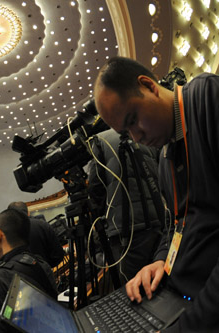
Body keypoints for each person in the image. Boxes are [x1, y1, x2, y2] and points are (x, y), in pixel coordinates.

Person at [94, 56, 219, 331]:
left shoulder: (207, 97)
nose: (136, 136)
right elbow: (178, 224)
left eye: (133, 119)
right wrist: (160, 259)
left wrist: (195, 322)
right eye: (126, 131)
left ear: (148, 85)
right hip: (179, 296)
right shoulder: (164, 156)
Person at [87, 128, 162, 283]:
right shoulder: (144, 135)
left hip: (126, 230)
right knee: (160, 277)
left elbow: (96, 188)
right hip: (158, 220)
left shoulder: (99, 141)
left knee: (133, 286)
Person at [0, 201, 65, 271]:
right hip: (43, 280)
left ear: (9, 214)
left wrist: (8, 271)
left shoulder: (2, 230)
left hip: (15, 284)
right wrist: (43, 267)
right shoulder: (43, 225)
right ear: (28, 213)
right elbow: (58, 255)